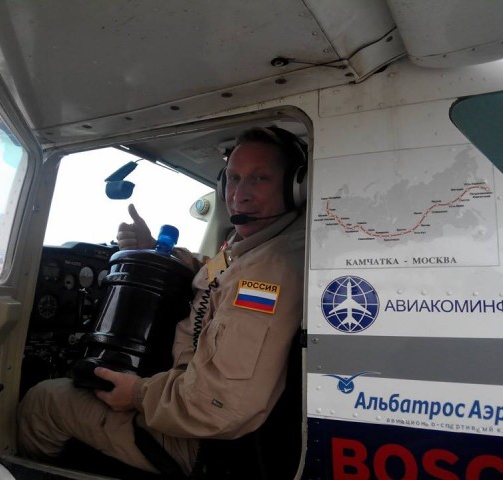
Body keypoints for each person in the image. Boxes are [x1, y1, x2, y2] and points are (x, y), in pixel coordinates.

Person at [17, 126, 307, 477]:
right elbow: (215, 271)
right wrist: (155, 248)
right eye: (233, 178)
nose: (239, 195)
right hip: (184, 397)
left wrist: (138, 395)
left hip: (202, 444)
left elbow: (218, 407)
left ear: (295, 186)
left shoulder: (268, 273)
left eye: (259, 178)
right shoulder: (253, 245)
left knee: (43, 401)